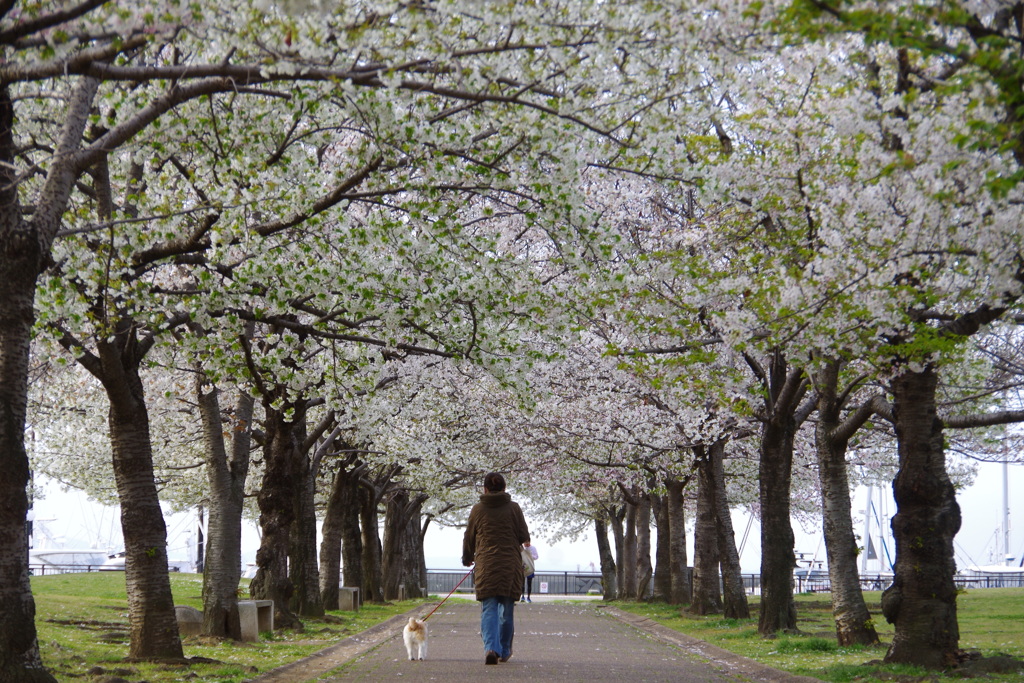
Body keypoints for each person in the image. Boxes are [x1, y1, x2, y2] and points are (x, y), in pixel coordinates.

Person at [462, 472, 531, 665]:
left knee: (489, 608)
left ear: (484, 489)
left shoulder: (478, 509)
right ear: (504, 488)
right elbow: (523, 535)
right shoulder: (514, 508)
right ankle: (505, 649)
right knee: (506, 609)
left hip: (486, 564)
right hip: (509, 564)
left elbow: (470, 537)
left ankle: (491, 648)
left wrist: (467, 557)